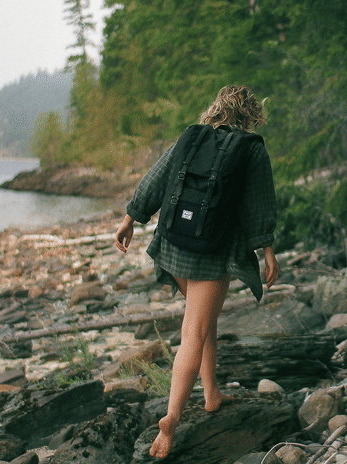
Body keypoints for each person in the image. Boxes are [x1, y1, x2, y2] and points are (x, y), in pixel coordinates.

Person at [114, 85, 279, 459]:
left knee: (206, 323)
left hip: (175, 244)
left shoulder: (191, 137)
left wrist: (130, 218)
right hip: (212, 250)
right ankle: (171, 420)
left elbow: (156, 179)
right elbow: (259, 202)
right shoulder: (250, 148)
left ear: (214, 109)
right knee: (194, 332)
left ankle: (210, 394)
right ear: (250, 114)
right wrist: (267, 250)